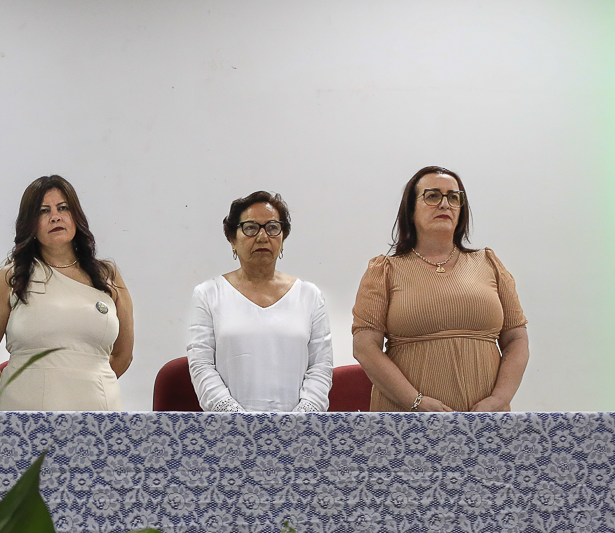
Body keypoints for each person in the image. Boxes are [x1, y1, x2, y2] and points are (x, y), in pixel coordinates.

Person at [352, 166, 528, 412]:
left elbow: (517, 339)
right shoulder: (384, 270)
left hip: (486, 419)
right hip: (406, 418)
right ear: (410, 209)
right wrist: (416, 402)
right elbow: (365, 347)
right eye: (433, 196)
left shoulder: (489, 263)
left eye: (454, 197)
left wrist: (500, 399)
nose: (445, 204)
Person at [0, 175, 132, 411]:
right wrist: (12, 395)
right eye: (43, 211)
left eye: (63, 208)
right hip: (25, 415)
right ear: (30, 224)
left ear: (76, 216)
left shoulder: (108, 275)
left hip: (99, 413)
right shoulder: (11, 277)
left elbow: (124, 355)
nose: (55, 216)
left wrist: (87, 383)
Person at [187, 191, 332, 412]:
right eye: (251, 228)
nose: (263, 237)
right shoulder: (208, 294)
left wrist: (299, 420)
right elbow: (201, 365)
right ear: (232, 239)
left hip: (297, 427)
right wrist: (238, 419)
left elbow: (321, 368)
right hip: (230, 426)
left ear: (282, 238)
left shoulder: (310, 296)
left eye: (272, 228)